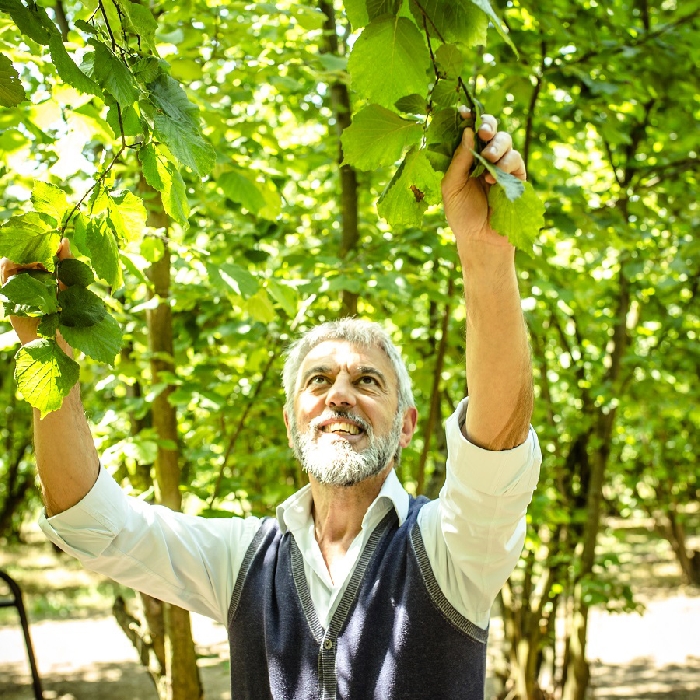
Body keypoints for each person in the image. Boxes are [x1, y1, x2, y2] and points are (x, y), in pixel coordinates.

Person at [2, 113, 541, 699]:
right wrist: (46, 350)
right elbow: (90, 520)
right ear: (291, 420)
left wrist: (485, 254)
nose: (340, 393)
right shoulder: (242, 560)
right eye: (318, 380)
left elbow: (496, 446)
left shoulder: (450, 550)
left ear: (407, 425)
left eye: (368, 381)